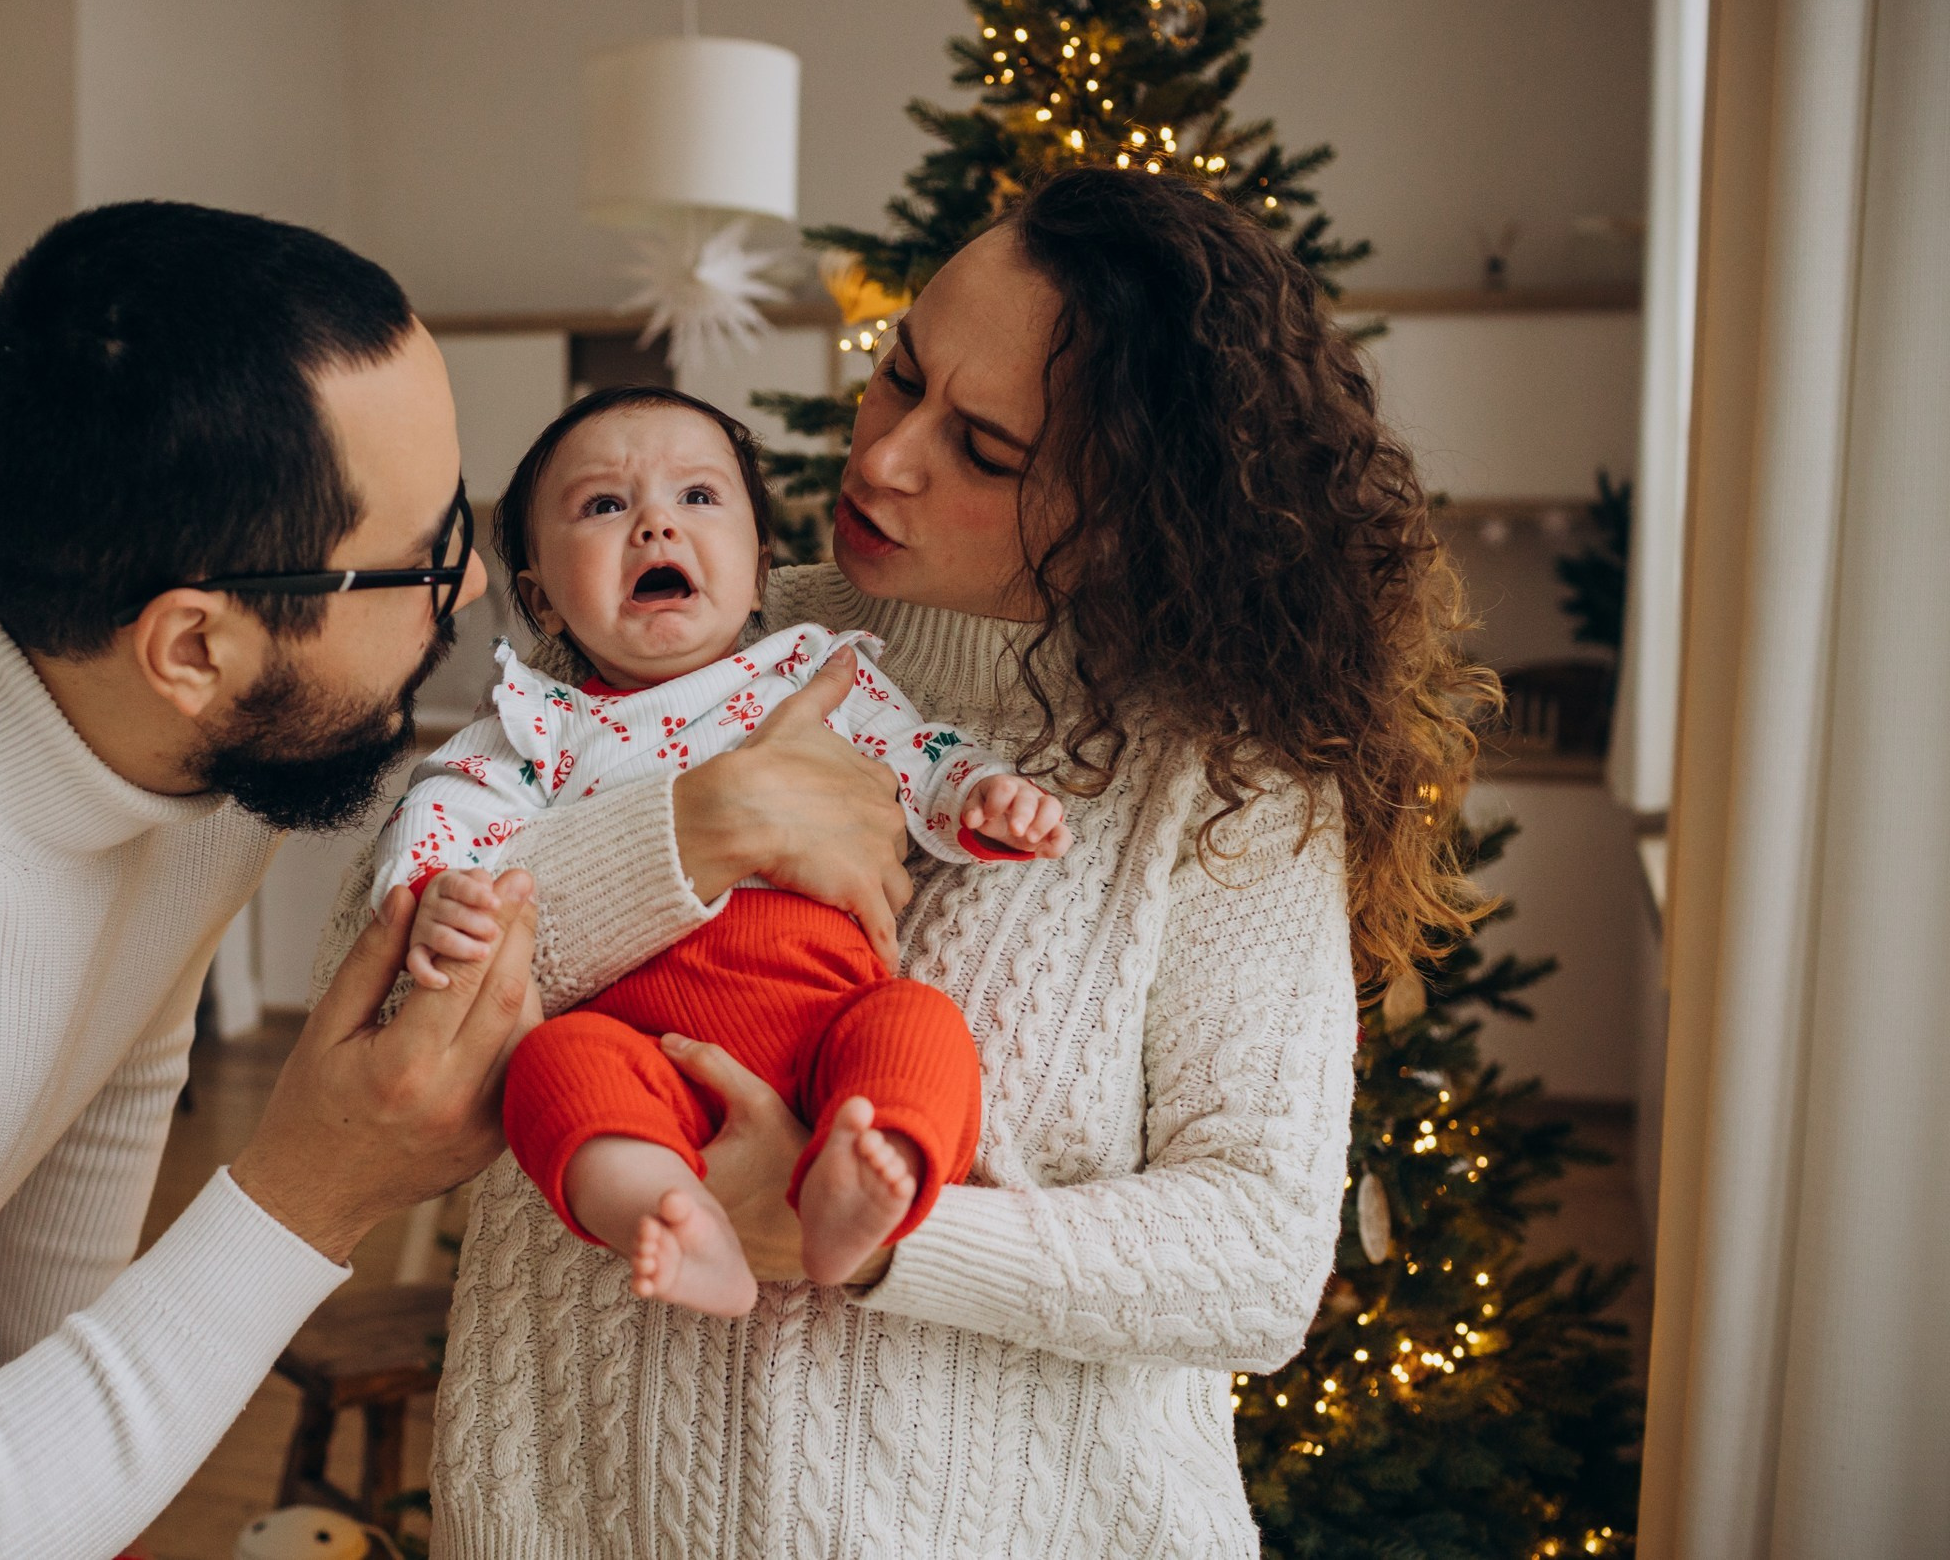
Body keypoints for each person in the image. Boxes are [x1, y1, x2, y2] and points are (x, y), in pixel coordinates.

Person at [0, 203, 916, 1558]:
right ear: (196, 643)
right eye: (425, 555)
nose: (467, 594)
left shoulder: (160, 685)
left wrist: (77, 1483)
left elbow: (111, 1049)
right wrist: (312, 1183)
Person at [316, 167, 1494, 1556]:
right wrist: (699, 825)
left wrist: (865, 1239)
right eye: (898, 374)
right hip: (580, 1513)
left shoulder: (1227, 775)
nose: (880, 457)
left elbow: (1253, 1258)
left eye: (984, 449)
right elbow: (378, 970)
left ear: (1133, 509)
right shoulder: (709, 624)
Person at [375, 388, 1071, 1316]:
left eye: (698, 497)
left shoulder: (818, 671)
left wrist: (983, 798)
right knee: (552, 1069)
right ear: (541, 595)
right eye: (604, 506)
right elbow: (442, 809)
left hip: (832, 1019)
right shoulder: (540, 721)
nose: (656, 522)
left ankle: (867, 1176)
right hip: (640, 1049)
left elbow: (922, 756)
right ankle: (668, 1213)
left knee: (920, 1027)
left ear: (758, 567)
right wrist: (438, 892)